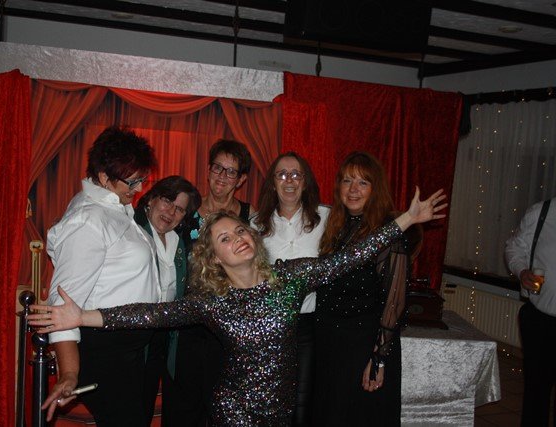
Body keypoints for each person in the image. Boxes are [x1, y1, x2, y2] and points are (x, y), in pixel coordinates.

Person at [30, 187, 447, 425]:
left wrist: (406, 220)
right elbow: (151, 313)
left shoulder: (290, 278)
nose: (238, 239)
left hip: (281, 413)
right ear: (215, 259)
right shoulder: (214, 303)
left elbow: (348, 259)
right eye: (225, 239)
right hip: (233, 415)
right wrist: (81, 316)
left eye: (241, 231)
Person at [42, 126, 159, 424]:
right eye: (132, 181)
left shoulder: (114, 207)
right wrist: (69, 373)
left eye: (142, 179)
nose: (138, 189)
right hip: (106, 350)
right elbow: (63, 303)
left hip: (125, 349)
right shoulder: (88, 219)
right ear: (104, 177)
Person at [312, 152, 422, 426]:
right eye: (347, 181)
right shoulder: (335, 227)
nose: (353, 189)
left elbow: (394, 302)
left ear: (376, 189)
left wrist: (378, 358)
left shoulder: (388, 233)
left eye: (363, 182)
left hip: (363, 348)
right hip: (328, 344)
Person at [174, 139, 254, 426]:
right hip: (188, 326)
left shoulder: (250, 218)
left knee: (224, 412)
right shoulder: (185, 213)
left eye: (231, 171)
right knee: (184, 411)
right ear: (208, 170)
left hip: (230, 329)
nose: (222, 176)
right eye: (218, 168)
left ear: (241, 180)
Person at [250, 152, 329, 426]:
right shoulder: (255, 225)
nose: (289, 181)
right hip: (269, 327)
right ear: (273, 183)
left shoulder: (326, 218)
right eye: (282, 174)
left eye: (296, 174)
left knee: (302, 404)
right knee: (269, 402)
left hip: (309, 326)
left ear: (305, 182)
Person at [133, 176, 201, 424]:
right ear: (151, 199)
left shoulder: (176, 241)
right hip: (134, 336)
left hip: (164, 337)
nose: (171, 212)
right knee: (132, 407)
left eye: (180, 209)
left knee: (148, 405)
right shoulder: (132, 231)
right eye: (167, 201)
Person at [505, 197, 556, 427]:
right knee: (536, 393)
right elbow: (514, 247)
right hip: (540, 320)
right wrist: (522, 271)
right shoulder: (542, 212)